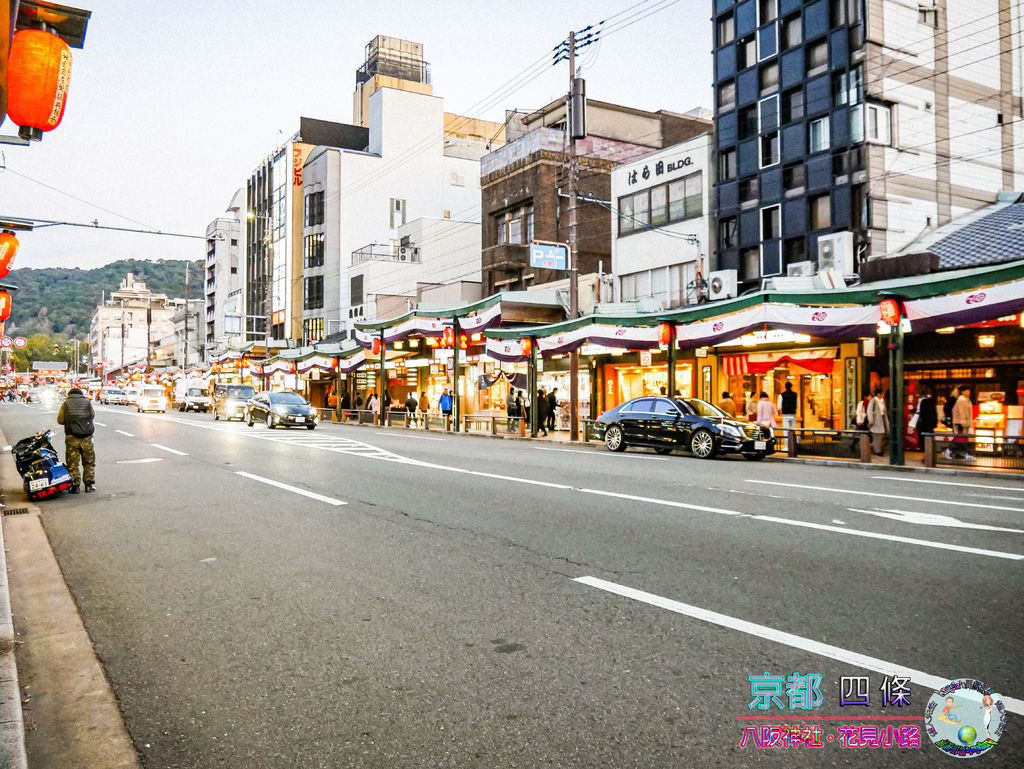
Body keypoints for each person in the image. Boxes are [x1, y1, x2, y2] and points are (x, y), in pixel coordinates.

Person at [56, 387, 95, 493]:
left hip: (72, 436)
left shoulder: (66, 404)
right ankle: (89, 485)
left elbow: (60, 420)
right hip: (87, 436)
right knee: (89, 461)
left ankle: (75, 485)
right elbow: (92, 415)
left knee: (73, 462)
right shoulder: (87, 402)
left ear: (69, 394)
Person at [950, 385, 975, 461]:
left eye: (969, 391)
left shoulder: (966, 400)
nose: (969, 392)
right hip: (961, 423)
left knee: (961, 439)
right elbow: (963, 413)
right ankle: (951, 451)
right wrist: (963, 424)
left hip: (963, 423)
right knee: (961, 439)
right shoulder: (962, 400)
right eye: (967, 391)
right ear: (963, 392)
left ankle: (958, 454)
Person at [867, 388, 888, 455]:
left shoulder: (882, 401)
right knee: (876, 436)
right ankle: (877, 451)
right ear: (879, 394)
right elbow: (869, 412)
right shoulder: (873, 401)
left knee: (881, 436)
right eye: (882, 393)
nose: (883, 394)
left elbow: (884, 412)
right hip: (875, 421)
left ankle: (877, 449)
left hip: (882, 420)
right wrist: (870, 421)